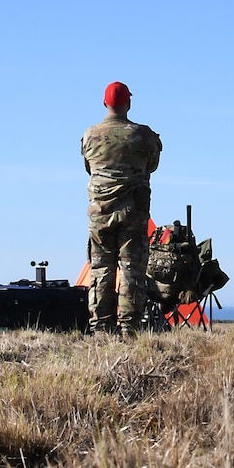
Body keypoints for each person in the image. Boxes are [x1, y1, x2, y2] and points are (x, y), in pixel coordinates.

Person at [81, 81, 162, 334]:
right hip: (133, 213)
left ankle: (101, 329)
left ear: (105, 103)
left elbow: (88, 167)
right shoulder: (144, 135)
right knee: (132, 270)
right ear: (128, 103)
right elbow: (153, 165)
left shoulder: (89, 135)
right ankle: (129, 328)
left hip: (100, 214)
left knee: (101, 269)